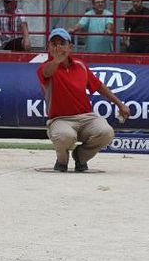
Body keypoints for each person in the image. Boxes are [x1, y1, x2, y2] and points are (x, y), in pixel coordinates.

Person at [37, 27, 130, 172]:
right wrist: (56, 61)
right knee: (64, 136)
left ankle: (80, 157)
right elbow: (46, 72)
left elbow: (99, 86)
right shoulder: (45, 67)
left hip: (86, 117)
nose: (58, 46)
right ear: (48, 48)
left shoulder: (80, 66)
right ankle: (62, 161)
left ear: (70, 47)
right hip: (60, 119)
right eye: (54, 43)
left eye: (62, 43)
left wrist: (120, 104)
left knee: (106, 132)